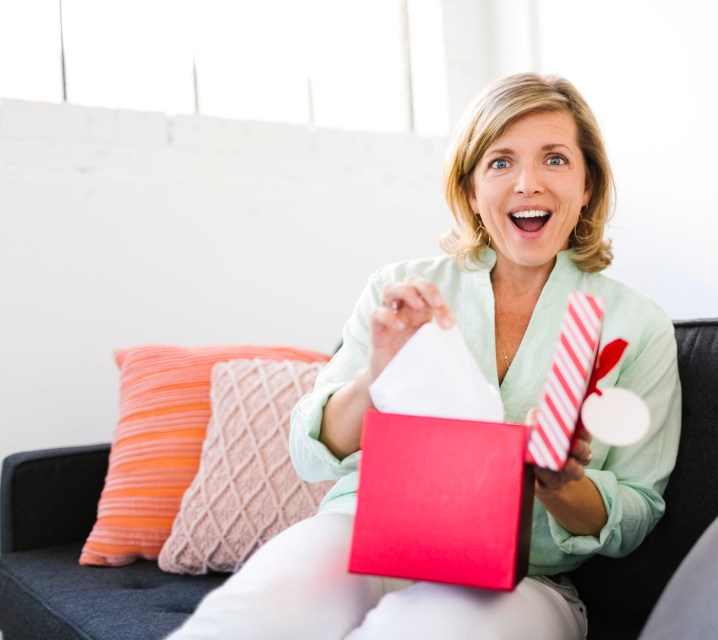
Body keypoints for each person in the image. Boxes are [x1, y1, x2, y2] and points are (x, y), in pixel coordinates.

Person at [167, 73, 682, 640]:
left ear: (587, 186)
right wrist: (374, 379)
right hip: (364, 534)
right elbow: (309, 456)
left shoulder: (636, 326)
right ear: (469, 190)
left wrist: (562, 488)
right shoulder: (401, 289)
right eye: (500, 161)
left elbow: (636, 513)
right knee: (256, 612)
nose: (528, 183)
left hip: (524, 580)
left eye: (555, 159)